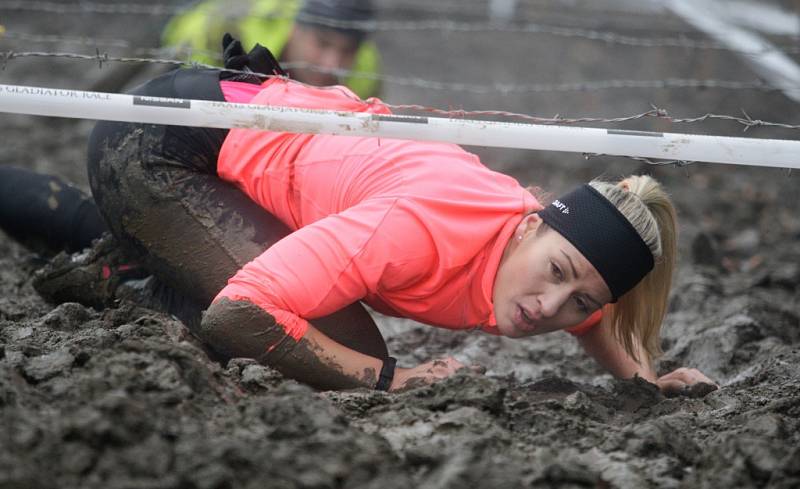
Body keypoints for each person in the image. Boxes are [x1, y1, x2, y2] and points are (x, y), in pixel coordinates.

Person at [4, 37, 715, 395]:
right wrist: (385, 379)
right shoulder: (418, 228)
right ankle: (129, 279)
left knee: (317, 328)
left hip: (243, 157)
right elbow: (240, 312)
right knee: (332, 348)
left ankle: (131, 255)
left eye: (579, 300)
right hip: (168, 142)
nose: (548, 306)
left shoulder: (554, 263)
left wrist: (640, 376)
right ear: (529, 222)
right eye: (558, 276)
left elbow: (589, 301)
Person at [161, 0, 382, 98]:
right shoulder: (228, 31)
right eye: (322, 43)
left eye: (348, 51)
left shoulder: (364, 74)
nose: (331, 64)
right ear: (295, 29)